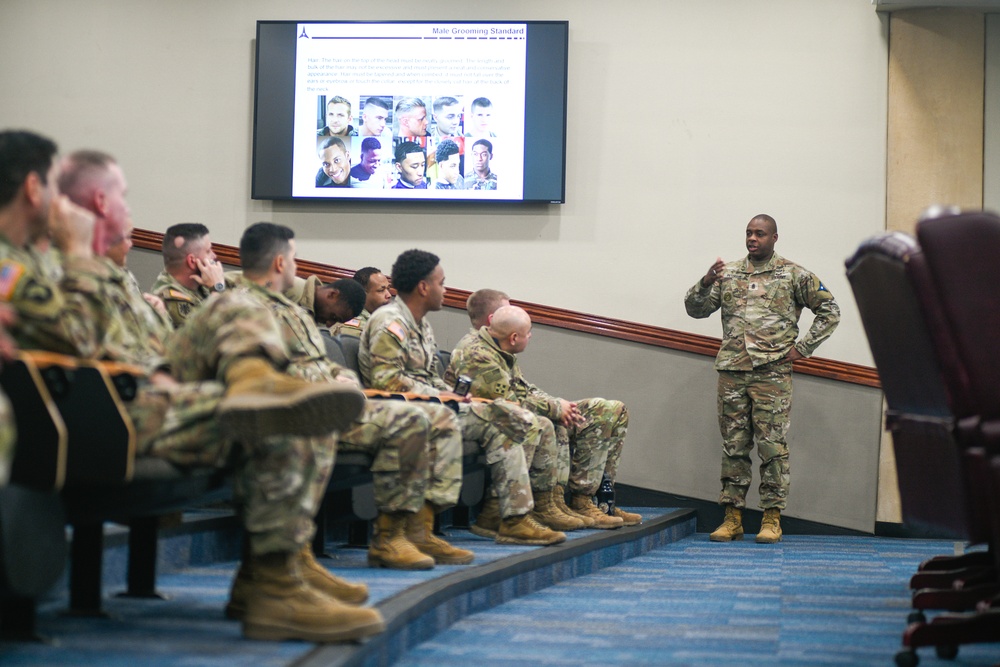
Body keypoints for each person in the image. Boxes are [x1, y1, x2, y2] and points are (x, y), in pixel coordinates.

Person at [0, 129, 380, 642]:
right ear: (31, 187)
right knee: (286, 420)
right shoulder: (16, 260)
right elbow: (81, 336)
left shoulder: (42, 256)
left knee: (234, 305)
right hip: (95, 409)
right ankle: (273, 587)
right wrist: (78, 251)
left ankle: (255, 386)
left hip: (133, 385)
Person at [215, 223, 472, 575]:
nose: (299, 269)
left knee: (427, 417)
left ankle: (402, 531)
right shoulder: (241, 306)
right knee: (410, 419)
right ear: (279, 263)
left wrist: (343, 380)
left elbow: (319, 363)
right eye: (293, 259)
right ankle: (290, 564)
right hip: (289, 408)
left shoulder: (293, 312)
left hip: (329, 402)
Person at [359, 249, 573, 545]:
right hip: (401, 411)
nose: (445, 290)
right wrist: (440, 395)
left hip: (431, 405)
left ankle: (510, 517)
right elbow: (387, 381)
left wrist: (451, 394)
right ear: (424, 287)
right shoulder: (389, 322)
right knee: (506, 417)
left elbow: (427, 375)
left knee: (512, 417)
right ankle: (426, 528)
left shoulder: (420, 325)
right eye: (441, 283)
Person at [684, 214, 841, 544]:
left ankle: (771, 518)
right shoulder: (729, 274)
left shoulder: (794, 274)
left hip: (772, 374)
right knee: (734, 447)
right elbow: (695, 309)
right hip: (732, 373)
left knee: (772, 448)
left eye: (760, 233)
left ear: (774, 238)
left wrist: (803, 349)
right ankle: (733, 518)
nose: (752, 238)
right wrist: (706, 280)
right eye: (748, 233)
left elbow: (830, 311)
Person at [447, 301, 638, 529]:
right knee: (546, 422)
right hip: (486, 417)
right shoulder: (477, 353)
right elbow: (509, 401)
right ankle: (546, 504)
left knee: (611, 409)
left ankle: (594, 499)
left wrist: (558, 404)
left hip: (506, 412)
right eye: (529, 332)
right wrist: (556, 409)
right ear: (513, 335)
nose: (531, 336)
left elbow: (525, 389)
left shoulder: (502, 350)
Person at [151, 223, 227, 328]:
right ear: (192, 261)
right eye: (208, 251)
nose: (214, 256)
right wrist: (218, 290)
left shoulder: (199, 282)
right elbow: (209, 335)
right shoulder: (170, 300)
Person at [335, 266, 392, 339]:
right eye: (381, 290)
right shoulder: (354, 328)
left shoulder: (381, 320)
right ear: (362, 294)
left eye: (388, 289)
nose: (389, 295)